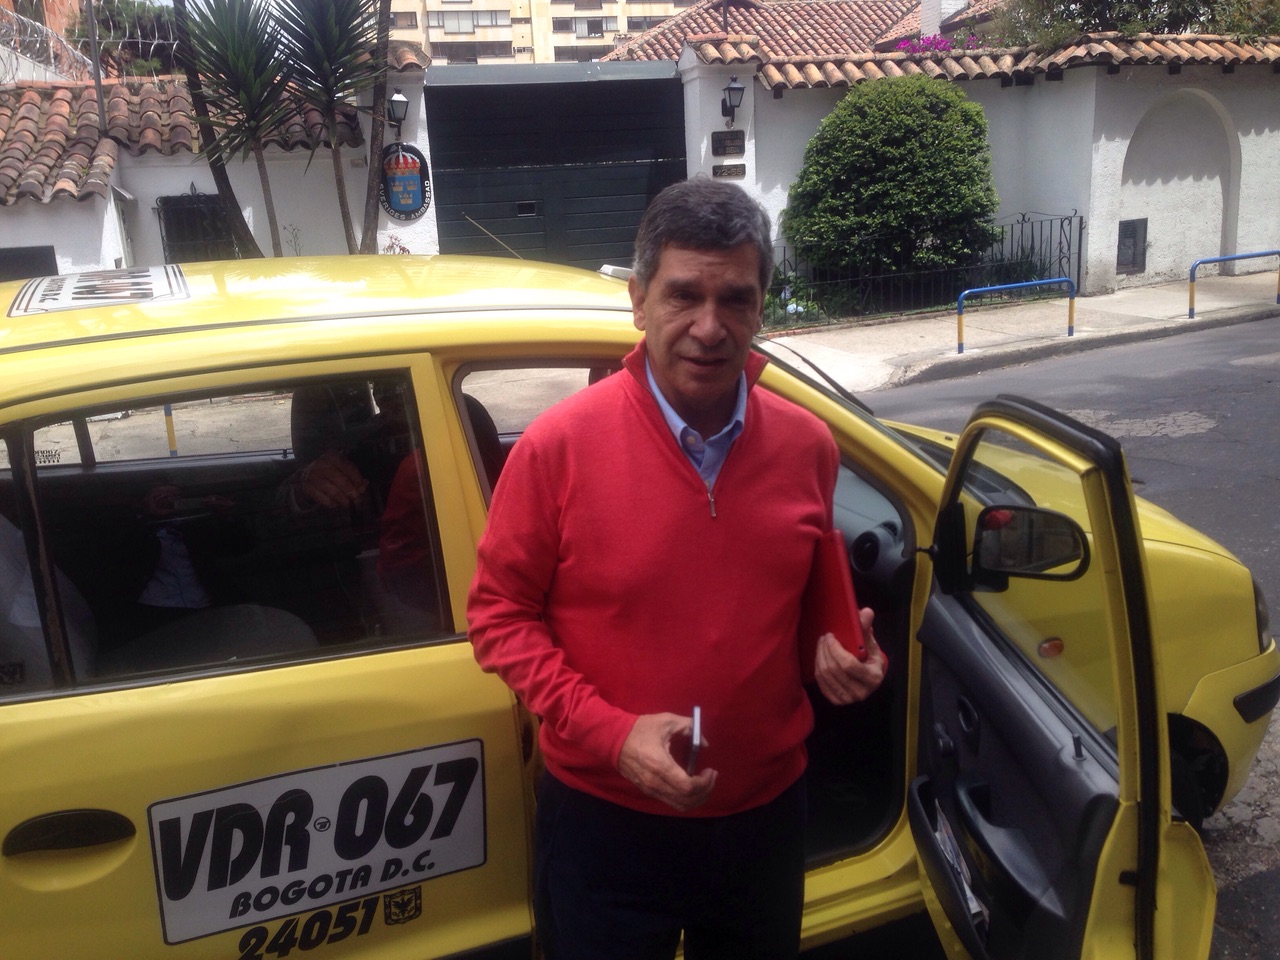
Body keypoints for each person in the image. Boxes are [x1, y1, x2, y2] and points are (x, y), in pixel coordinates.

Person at [466, 177, 887, 960]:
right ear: (638, 300)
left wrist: (840, 655)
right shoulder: (558, 448)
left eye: (736, 299)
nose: (709, 327)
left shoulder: (809, 446)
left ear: (762, 306)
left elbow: (795, 617)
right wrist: (612, 735)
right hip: (605, 825)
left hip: (763, 823)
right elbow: (497, 618)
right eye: (684, 295)